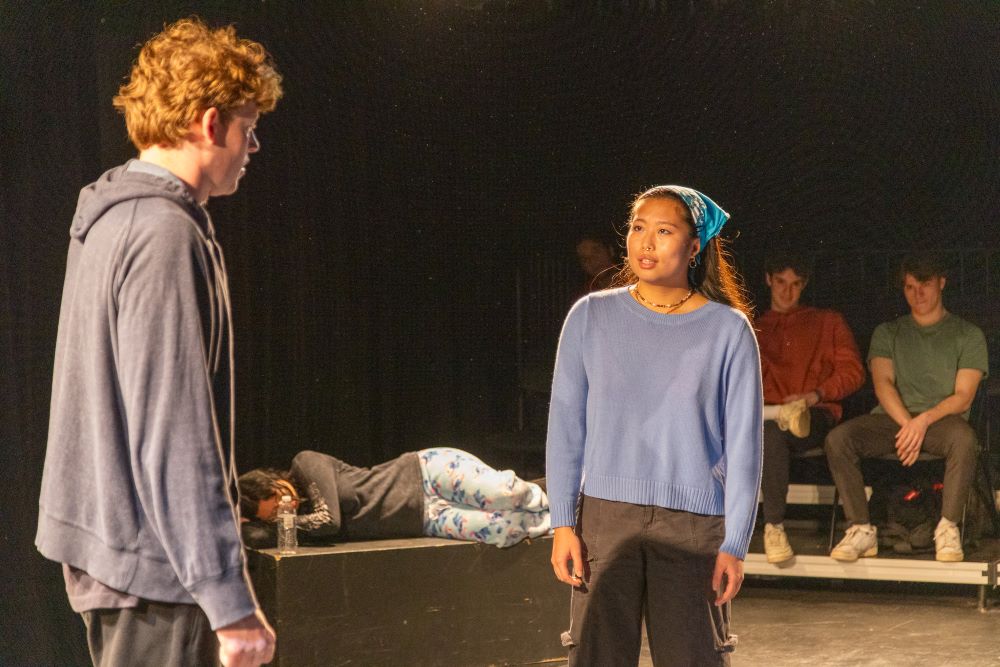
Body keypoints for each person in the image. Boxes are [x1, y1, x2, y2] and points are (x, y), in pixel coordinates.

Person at [35, 18, 283, 667]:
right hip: (153, 568)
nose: (252, 145)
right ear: (208, 123)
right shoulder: (161, 233)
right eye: (248, 127)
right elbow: (172, 431)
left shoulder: (114, 216)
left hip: (121, 557)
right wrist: (228, 599)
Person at [546, 185, 762, 665]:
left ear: (694, 245)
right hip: (605, 520)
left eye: (664, 231)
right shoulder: (590, 316)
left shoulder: (729, 331)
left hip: (692, 527)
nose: (646, 242)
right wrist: (563, 522)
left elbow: (746, 446)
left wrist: (736, 542)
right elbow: (565, 427)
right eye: (638, 228)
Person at [825, 252, 988, 563]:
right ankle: (861, 528)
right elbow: (883, 384)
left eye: (924, 285)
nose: (918, 294)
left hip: (942, 421)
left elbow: (963, 396)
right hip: (894, 420)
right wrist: (907, 424)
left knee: (965, 440)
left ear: (941, 282)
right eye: (910, 287)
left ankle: (948, 527)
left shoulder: (968, 334)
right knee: (839, 439)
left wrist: (922, 422)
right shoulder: (888, 332)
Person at [755, 252, 865, 563]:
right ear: (768, 280)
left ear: (804, 285)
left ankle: (773, 525)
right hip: (768, 418)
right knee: (769, 430)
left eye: (795, 284)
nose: (787, 292)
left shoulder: (827, 321)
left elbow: (853, 371)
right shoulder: (755, 327)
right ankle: (770, 527)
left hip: (814, 414)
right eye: (780, 283)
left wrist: (815, 395)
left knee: (775, 430)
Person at [238, 448, 550, 549]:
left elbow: (329, 520)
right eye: (276, 514)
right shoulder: (304, 527)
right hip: (426, 519)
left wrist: (280, 526)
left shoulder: (305, 463)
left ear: (276, 483)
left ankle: (557, 493)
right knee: (504, 531)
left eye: (281, 500)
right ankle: (563, 519)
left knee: (505, 494)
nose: (286, 509)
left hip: (424, 473)